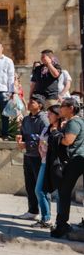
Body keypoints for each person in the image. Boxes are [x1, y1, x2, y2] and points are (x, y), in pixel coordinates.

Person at [51, 97, 84, 239]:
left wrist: (56, 134)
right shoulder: (77, 121)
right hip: (77, 160)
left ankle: (62, 225)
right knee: (63, 192)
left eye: (63, 106)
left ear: (71, 108)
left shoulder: (74, 122)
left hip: (74, 161)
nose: (60, 108)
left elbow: (68, 140)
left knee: (64, 192)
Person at [16, 94, 49, 222]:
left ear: (40, 105)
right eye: (29, 101)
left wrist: (27, 143)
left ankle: (45, 213)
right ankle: (32, 211)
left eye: (32, 102)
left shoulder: (43, 120)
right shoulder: (26, 119)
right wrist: (20, 139)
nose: (29, 104)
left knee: (40, 188)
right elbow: (24, 135)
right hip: (28, 155)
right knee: (29, 185)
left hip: (39, 157)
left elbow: (44, 140)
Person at [36, 105, 60, 228]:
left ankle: (60, 222)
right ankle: (46, 218)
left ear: (57, 115)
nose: (48, 116)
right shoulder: (47, 128)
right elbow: (41, 142)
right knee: (40, 190)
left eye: (50, 114)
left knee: (59, 194)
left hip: (56, 164)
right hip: (45, 162)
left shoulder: (62, 128)